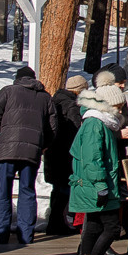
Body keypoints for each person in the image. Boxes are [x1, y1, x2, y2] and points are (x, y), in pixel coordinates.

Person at [69, 82, 128, 255]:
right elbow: (93, 159)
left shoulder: (98, 123)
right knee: (111, 227)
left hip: (93, 185)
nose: (120, 110)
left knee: (93, 227)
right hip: (97, 186)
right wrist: (101, 185)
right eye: (117, 106)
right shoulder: (96, 124)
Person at [0, 66, 53, 246]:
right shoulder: (45, 97)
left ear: (17, 78)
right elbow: (52, 127)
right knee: (27, 191)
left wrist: (5, 130)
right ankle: (26, 235)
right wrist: (42, 144)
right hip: (31, 151)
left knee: (3, 191)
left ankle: (0, 234)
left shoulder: (8, 92)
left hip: (6, 151)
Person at [45, 74, 86, 235]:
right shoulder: (72, 106)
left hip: (53, 154)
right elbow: (77, 132)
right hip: (65, 155)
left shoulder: (56, 102)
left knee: (58, 190)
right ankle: (58, 222)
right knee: (64, 191)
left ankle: (54, 222)